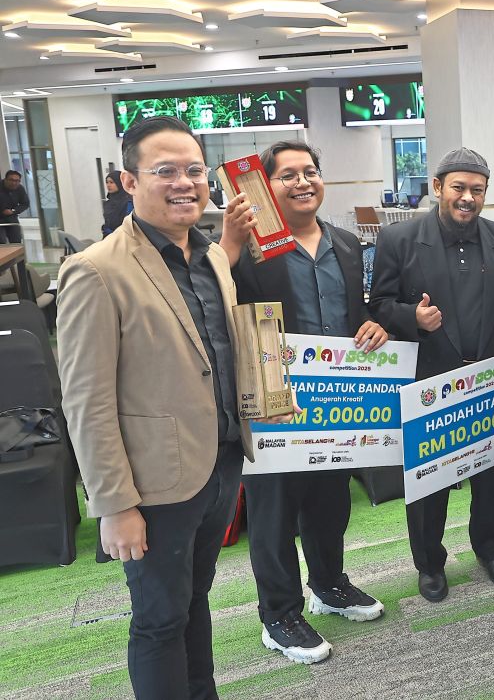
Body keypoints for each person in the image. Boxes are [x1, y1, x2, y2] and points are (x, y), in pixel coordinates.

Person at [57, 116, 291, 699]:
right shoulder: (96, 270)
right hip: (154, 485)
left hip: (221, 464)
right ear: (128, 181)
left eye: (193, 170)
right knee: (160, 618)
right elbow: (87, 401)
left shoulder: (211, 257)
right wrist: (114, 506)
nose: (183, 182)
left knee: (196, 598)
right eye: (164, 171)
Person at [223, 140, 388, 664]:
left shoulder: (345, 241)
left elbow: (356, 310)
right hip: (274, 399)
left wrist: (372, 326)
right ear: (264, 186)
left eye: (310, 171)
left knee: (330, 502)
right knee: (273, 512)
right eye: (287, 174)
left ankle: (329, 585)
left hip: (333, 401)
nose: (302, 181)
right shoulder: (247, 247)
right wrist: (229, 242)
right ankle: (279, 614)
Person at [369, 148, 494, 604]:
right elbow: (378, 304)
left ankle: (491, 550)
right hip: (429, 382)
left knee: (492, 473)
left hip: (488, 380)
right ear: (437, 187)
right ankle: (429, 564)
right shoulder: (398, 238)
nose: (467, 197)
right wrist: (412, 318)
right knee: (428, 479)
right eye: (458, 187)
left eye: (477, 190)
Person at [0, 169, 29, 243]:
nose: (14, 183)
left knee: (16, 241)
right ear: (5, 179)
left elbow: (25, 203)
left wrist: (13, 211)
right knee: (1, 241)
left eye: (17, 181)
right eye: (11, 180)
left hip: (12, 218)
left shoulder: (20, 188)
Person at [101, 170, 131, 236]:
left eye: (112, 182)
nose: (108, 185)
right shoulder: (108, 203)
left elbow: (128, 225)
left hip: (122, 238)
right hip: (108, 238)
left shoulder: (128, 202)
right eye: (107, 182)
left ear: (119, 183)